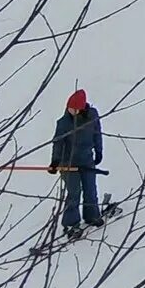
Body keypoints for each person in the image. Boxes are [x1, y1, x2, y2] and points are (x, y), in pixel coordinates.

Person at [51, 89, 104, 241]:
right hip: (68, 163)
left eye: (74, 109)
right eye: (69, 108)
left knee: (90, 189)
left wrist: (98, 151)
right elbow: (58, 143)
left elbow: (97, 134)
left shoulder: (92, 115)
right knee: (74, 192)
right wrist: (55, 161)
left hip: (87, 159)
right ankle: (70, 223)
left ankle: (92, 215)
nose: (71, 111)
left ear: (81, 108)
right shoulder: (63, 123)